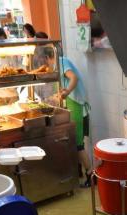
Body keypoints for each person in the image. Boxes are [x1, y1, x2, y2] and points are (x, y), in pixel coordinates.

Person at [43, 48, 91, 181]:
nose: (46, 66)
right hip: (72, 105)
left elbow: (73, 78)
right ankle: (80, 172)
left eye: (45, 62)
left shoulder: (61, 61)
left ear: (48, 57)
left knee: (78, 144)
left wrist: (66, 92)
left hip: (76, 105)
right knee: (74, 142)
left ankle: (91, 175)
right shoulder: (58, 65)